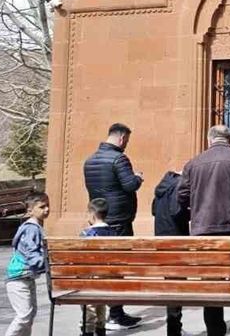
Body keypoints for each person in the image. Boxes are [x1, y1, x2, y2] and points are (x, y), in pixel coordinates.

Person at [178, 125, 230, 336]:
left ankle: (215, 331)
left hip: (204, 230)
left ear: (209, 140)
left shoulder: (194, 163)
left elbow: (181, 196)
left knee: (211, 282)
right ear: (228, 139)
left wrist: (196, 213)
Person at [83, 123, 144, 329]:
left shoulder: (90, 161)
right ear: (122, 138)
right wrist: (138, 177)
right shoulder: (119, 159)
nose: (126, 144)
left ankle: (105, 313)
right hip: (119, 220)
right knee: (118, 266)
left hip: (99, 219)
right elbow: (129, 185)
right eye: (127, 140)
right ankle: (116, 314)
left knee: (104, 266)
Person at [4, 191, 50, 336]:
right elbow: (32, 254)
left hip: (27, 277)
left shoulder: (36, 227)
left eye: (48, 206)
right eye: (42, 207)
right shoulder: (31, 228)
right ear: (30, 211)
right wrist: (47, 263)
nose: (47, 209)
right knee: (24, 316)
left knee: (30, 314)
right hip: (18, 277)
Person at [153, 170, 191, 336]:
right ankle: (174, 330)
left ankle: (174, 328)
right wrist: (191, 211)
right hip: (176, 239)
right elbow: (176, 211)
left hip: (162, 237)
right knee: (177, 285)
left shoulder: (162, 187)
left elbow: (154, 210)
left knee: (171, 283)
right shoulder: (178, 186)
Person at [80, 198, 119, 336]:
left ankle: (88, 330)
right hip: (106, 278)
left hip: (90, 277)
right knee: (101, 301)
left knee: (89, 304)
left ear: (91, 214)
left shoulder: (86, 234)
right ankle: (101, 327)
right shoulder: (114, 234)